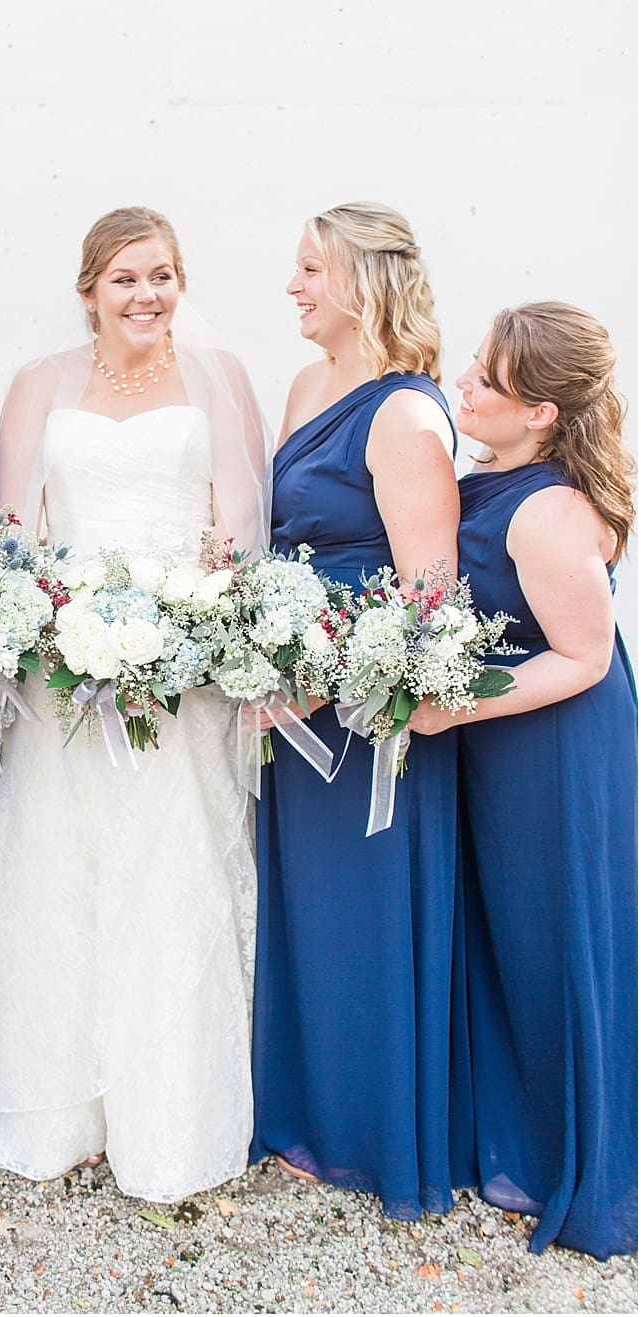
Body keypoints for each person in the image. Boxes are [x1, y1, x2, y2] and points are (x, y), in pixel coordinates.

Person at [0, 207, 270, 1202]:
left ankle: (171, 1121)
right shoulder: (40, 383)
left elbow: (236, 530)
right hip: (64, 671)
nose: (148, 296)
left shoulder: (219, 377)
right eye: (128, 279)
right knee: (59, 874)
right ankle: (61, 1109)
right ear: (90, 287)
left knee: (170, 878)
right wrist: (47, 623)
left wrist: (203, 629)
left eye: (164, 276)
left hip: (179, 674)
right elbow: (14, 534)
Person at [250, 201, 462, 1219]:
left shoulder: (406, 416)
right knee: (302, 907)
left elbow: (429, 595)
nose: (293, 286)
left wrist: (326, 676)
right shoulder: (304, 386)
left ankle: (379, 1130)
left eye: (308, 270)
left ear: (362, 282)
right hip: (289, 699)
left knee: (367, 911)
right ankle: (312, 1117)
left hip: (361, 713)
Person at [410, 303, 636, 1259]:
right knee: (502, 934)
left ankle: (573, 1160)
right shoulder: (495, 475)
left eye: (486, 379)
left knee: (553, 943)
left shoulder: (546, 508)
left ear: (540, 410)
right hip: (501, 734)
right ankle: (513, 1140)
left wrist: (454, 703)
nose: (463, 383)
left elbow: (581, 656)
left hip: (554, 748)